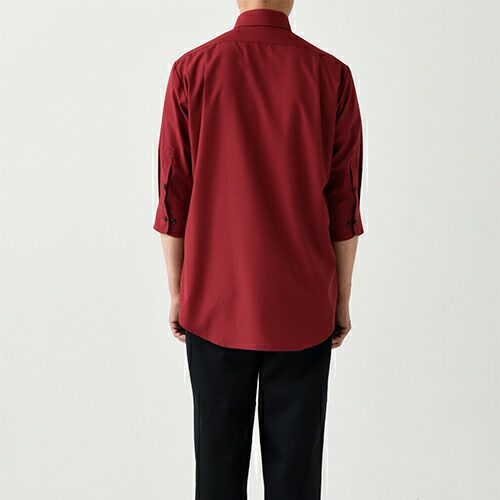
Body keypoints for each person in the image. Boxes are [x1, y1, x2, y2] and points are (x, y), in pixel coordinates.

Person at [153, 1, 364, 498]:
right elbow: (345, 205)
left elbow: (172, 197)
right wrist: (340, 300)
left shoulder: (192, 71)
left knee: (217, 477)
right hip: (302, 309)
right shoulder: (331, 76)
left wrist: (178, 291)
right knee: (297, 481)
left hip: (214, 305)